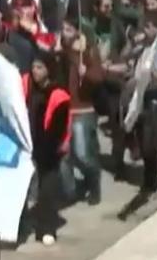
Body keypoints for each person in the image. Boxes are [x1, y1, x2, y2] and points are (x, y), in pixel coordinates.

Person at [115, 10, 157, 193]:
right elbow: (125, 57)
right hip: (136, 101)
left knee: (149, 146)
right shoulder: (144, 47)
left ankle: (151, 182)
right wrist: (132, 43)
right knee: (139, 140)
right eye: (145, 27)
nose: (146, 30)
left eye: (150, 27)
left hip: (154, 104)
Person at [23, 52, 70, 246]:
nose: (35, 71)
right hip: (31, 146)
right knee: (33, 190)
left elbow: (56, 131)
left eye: (40, 67)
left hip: (50, 151)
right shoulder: (30, 87)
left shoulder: (58, 94)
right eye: (34, 67)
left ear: (49, 70)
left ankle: (47, 228)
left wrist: (43, 152)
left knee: (47, 190)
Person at [58, 16, 104, 205]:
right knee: (64, 156)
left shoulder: (88, 51)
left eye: (69, 30)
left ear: (78, 32)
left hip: (82, 110)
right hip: (63, 109)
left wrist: (86, 71)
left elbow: (99, 77)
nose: (64, 33)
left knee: (82, 154)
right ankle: (71, 191)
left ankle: (93, 181)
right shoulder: (62, 51)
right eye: (63, 29)